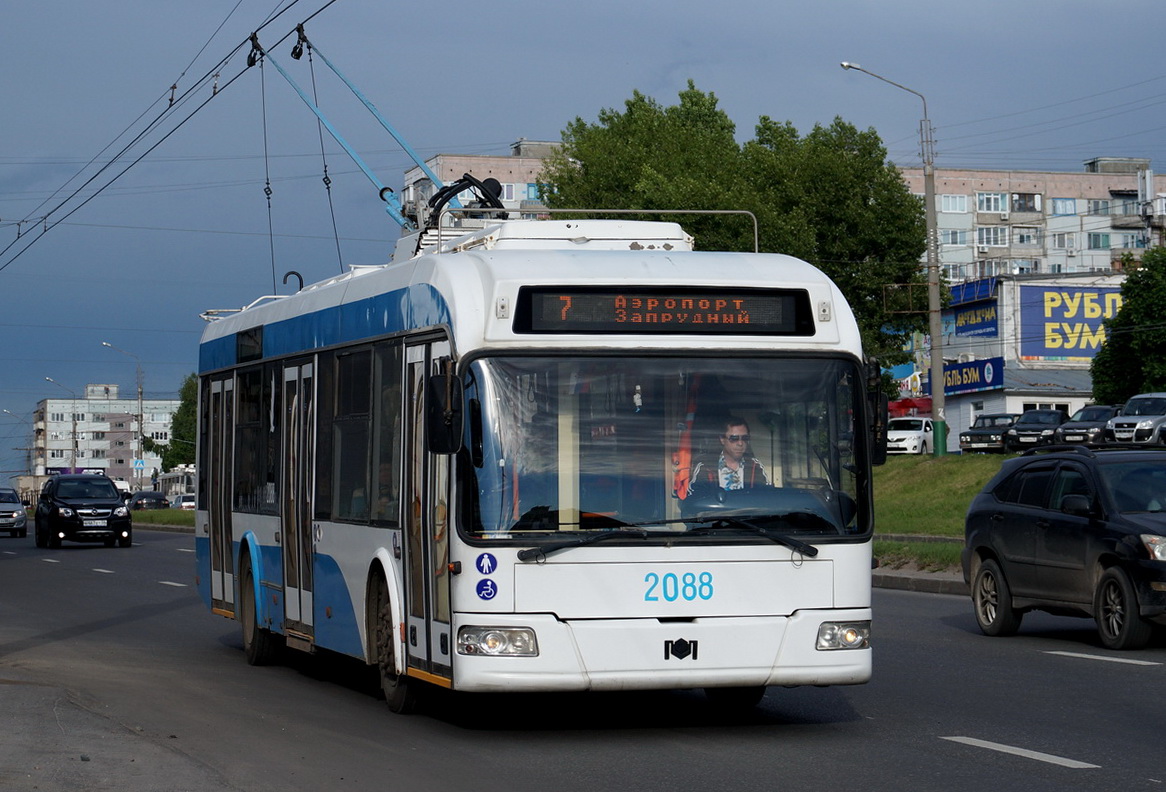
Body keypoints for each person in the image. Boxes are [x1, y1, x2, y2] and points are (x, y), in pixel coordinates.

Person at [687, 416, 769, 498]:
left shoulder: (755, 467)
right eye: (734, 438)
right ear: (722, 439)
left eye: (745, 438)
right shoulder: (706, 467)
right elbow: (695, 498)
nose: (740, 443)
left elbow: (766, 498)